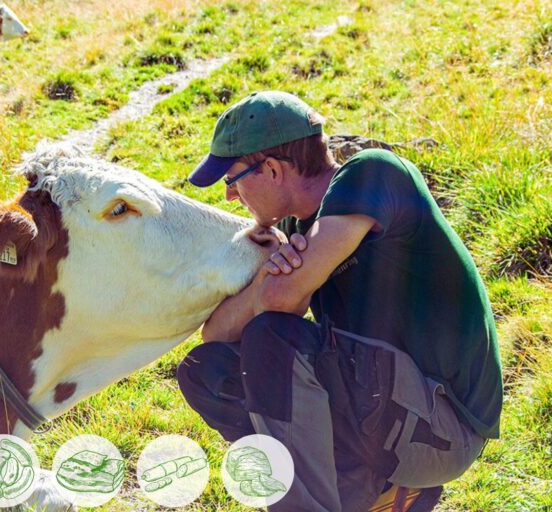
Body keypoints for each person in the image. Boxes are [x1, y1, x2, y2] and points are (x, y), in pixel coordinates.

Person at [176, 91, 503, 511]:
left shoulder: (373, 174)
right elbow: (215, 336)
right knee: (209, 370)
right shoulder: (299, 226)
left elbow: (279, 304)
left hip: (443, 426)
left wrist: (275, 282)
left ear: (272, 169)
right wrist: (267, 270)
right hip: (386, 412)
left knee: (271, 338)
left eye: (232, 179)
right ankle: (375, 495)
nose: (230, 197)